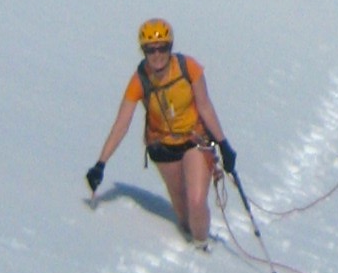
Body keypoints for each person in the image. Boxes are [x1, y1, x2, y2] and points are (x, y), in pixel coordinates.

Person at [86, 19, 234, 246]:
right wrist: (101, 164)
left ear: (170, 47)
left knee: (196, 201)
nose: (157, 55)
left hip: (195, 139)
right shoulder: (140, 81)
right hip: (162, 146)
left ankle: (201, 246)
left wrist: (223, 145)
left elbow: (205, 106)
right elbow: (121, 124)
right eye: (150, 50)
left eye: (162, 48)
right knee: (181, 205)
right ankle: (188, 234)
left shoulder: (188, 68)